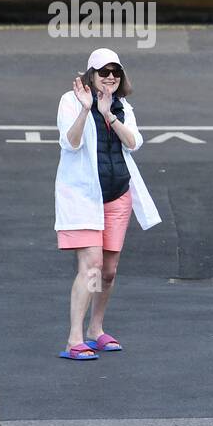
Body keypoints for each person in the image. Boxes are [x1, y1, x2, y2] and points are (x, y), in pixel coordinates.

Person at [54, 48, 161, 360]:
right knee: (92, 265)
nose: (110, 76)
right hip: (83, 197)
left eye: (115, 71)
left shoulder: (122, 106)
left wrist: (108, 114)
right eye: (104, 72)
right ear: (91, 74)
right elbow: (70, 143)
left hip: (118, 196)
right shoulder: (70, 101)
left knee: (109, 271)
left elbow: (134, 143)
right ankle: (74, 338)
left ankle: (95, 330)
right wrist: (87, 109)